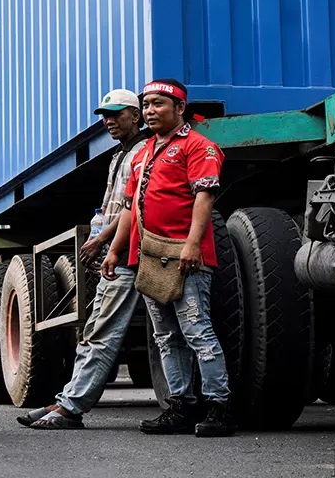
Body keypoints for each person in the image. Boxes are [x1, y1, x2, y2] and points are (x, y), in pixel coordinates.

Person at [102, 79, 236, 438]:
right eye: (146, 105)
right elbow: (129, 208)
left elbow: (204, 198)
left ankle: (218, 407)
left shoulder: (199, 147)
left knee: (196, 330)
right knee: (166, 336)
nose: (149, 111)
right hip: (149, 257)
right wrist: (115, 250)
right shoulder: (143, 153)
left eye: (158, 104)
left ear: (180, 108)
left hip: (185, 256)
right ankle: (180, 406)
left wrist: (193, 244)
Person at [15, 88, 148, 430]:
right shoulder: (120, 156)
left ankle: (71, 406)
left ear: (136, 115)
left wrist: (104, 240)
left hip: (131, 253)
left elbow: (133, 209)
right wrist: (96, 238)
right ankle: (66, 400)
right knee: (94, 330)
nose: (109, 121)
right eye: (105, 115)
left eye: (116, 113)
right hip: (114, 252)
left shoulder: (142, 155)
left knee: (103, 331)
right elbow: (108, 208)